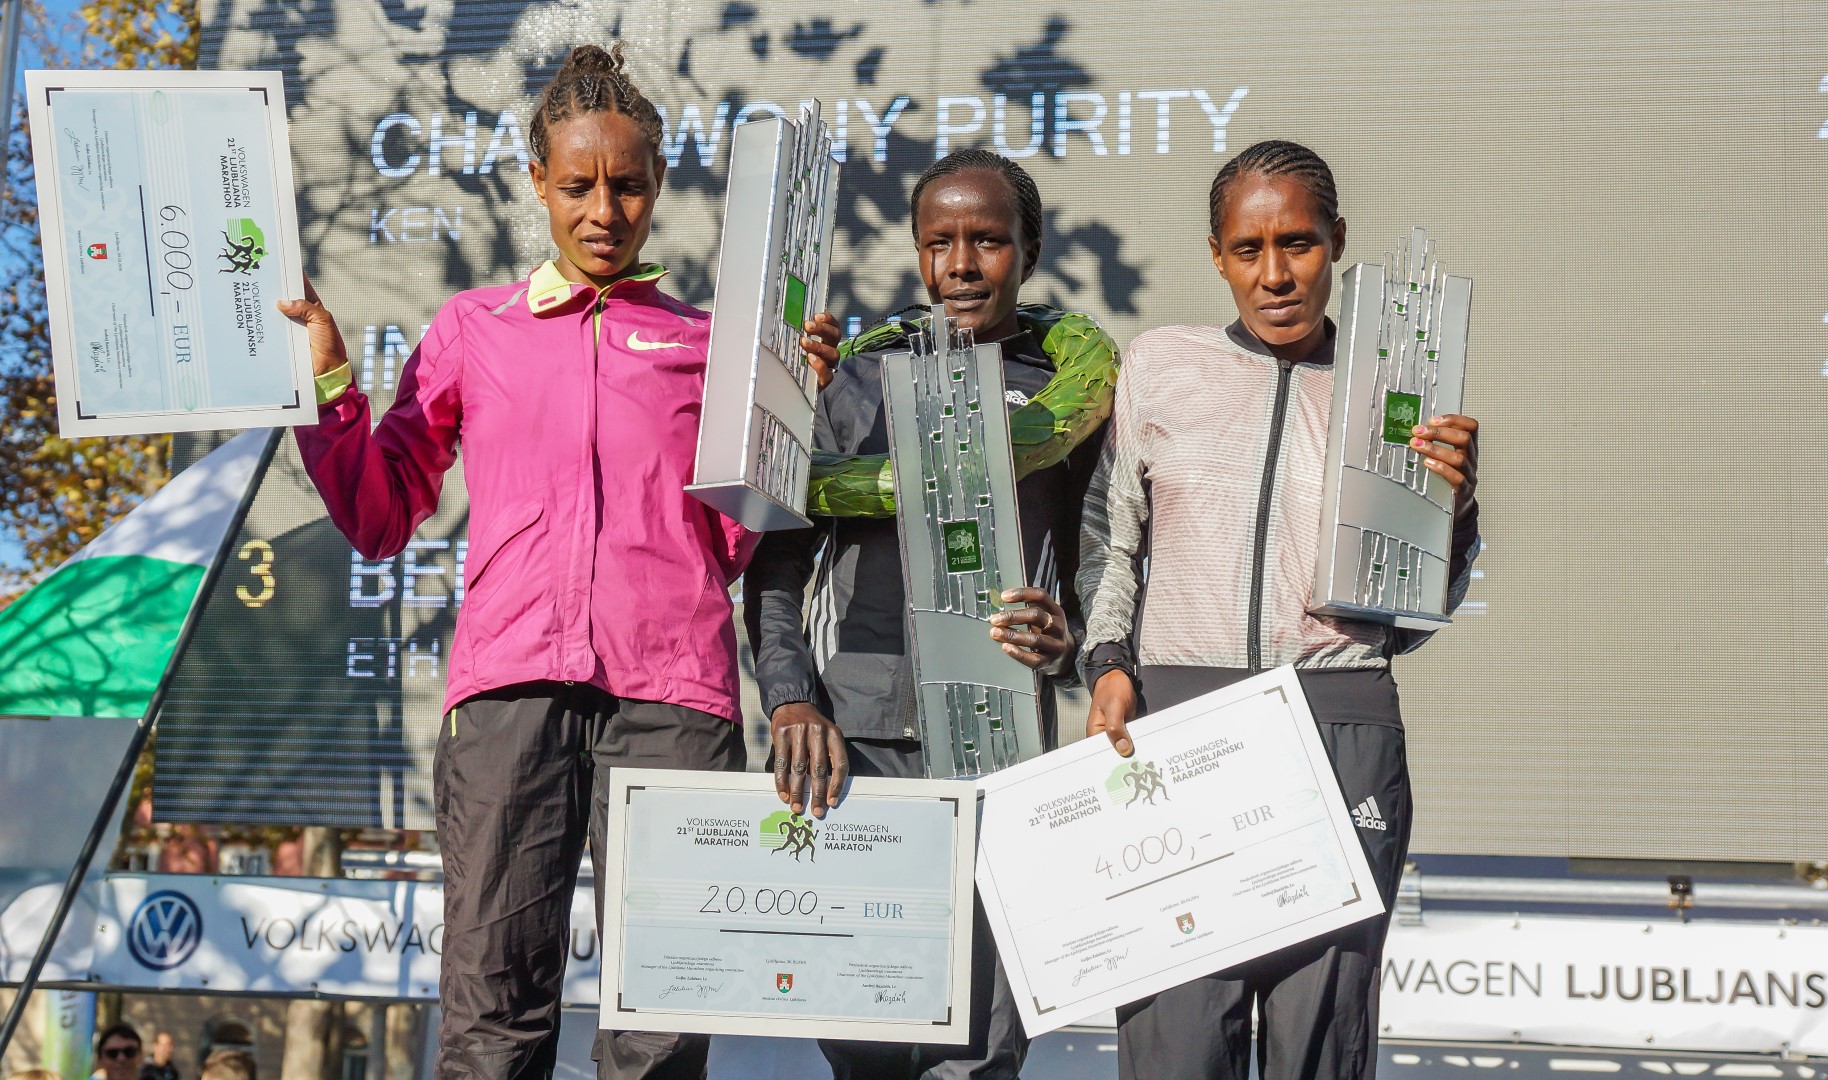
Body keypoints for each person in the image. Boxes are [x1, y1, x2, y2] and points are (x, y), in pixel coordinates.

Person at [279, 43, 840, 1080]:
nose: (603, 211)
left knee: (663, 1016)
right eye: (578, 185)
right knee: (492, 1018)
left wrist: (786, 414)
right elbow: (380, 516)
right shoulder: (473, 327)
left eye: (628, 186)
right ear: (537, 181)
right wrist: (328, 387)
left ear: (658, 182)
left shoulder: (713, 345)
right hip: (509, 695)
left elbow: (729, 541)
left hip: (672, 699)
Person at [1076, 139, 1483, 1080]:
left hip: (1339, 723)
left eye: (1297, 243)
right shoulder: (1160, 364)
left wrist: (1452, 511)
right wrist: (1109, 663)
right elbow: (1112, 540)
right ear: (1216, 255)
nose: (1275, 275)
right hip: (1178, 723)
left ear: (1336, 239)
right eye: (1248, 249)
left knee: (1320, 1041)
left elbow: (1413, 620)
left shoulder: (1395, 390)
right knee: (1176, 1043)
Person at [745, 148, 1118, 1080]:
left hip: (1003, 750)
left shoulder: (1069, 400)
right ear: (917, 252)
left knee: (981, 1050)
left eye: (988, 240)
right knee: (864, 1037)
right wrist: (791, 697)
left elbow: (1103, 566)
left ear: (1029, 251)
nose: (961, 265)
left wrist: (1069, 643)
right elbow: (776, 566)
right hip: (858, 749)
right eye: (938, 242)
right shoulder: (854, 385)